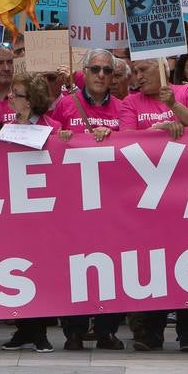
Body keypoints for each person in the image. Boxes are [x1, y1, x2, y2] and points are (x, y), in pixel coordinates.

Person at [119, 58, 188, 353]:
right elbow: (125, 139)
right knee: (155, 264)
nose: (138, 76)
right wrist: (159, 130)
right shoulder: (131, 102)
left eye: (143, 70)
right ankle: (152, 332)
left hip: (187, 194)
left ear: (162, 68)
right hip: (149, 197)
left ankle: (187, 335)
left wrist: (176, 109)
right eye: (135, 71)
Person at [52, 50, 124, 352]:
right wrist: (62, 135)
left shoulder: (123, 107)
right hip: (73, 201)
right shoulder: (66, 105)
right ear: (85, 71)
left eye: (107, 71)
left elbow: (137, 141)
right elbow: (48, 135)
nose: (101, 75)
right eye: (95, 69)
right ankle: (74, 331)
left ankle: (107, 330)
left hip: (112, 202)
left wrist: (117, 135)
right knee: (74, 267)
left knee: (114, 266)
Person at [0, 73, 59, 354]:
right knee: (17, 268)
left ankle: (40, 333)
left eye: (17, 95)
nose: (10, 99)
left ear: (31, 101)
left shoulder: (53, 128)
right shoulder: (7, 128)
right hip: (13, 209)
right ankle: (23, 329)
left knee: (39, 271)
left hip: (43, 209)